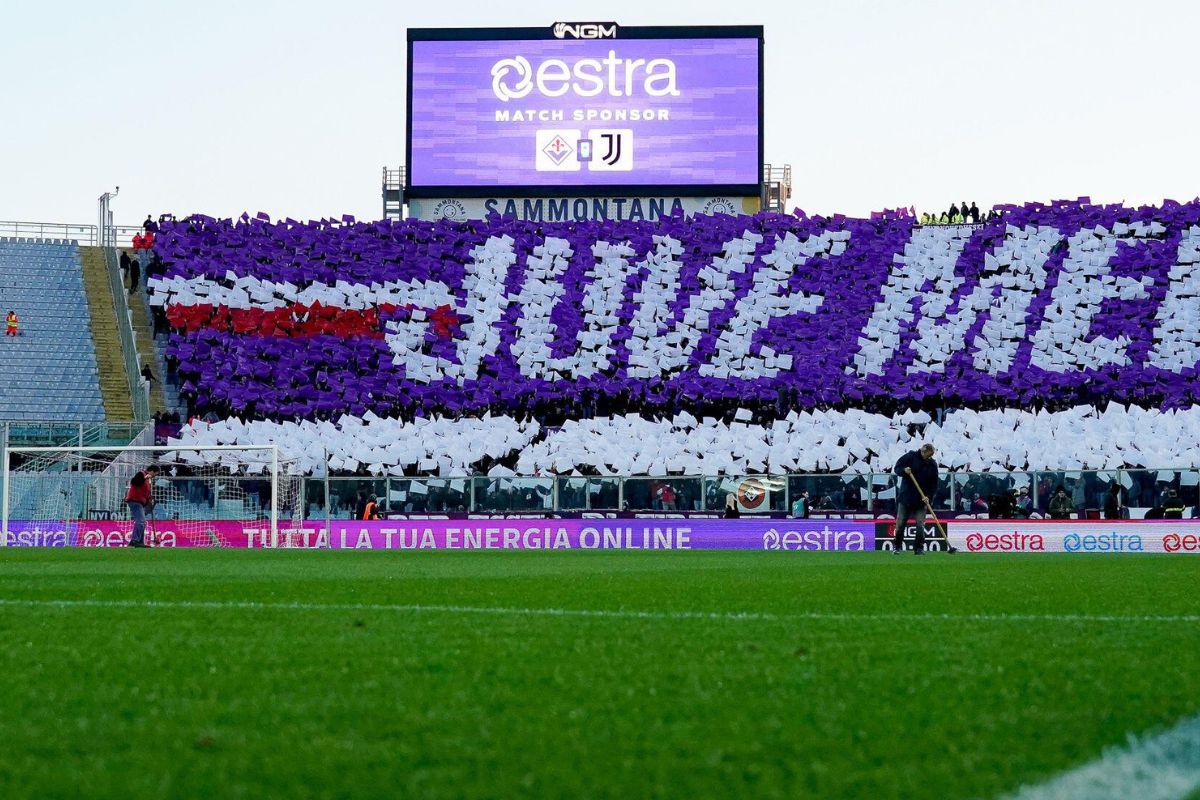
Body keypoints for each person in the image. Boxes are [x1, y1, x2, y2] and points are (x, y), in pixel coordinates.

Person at [891, 443, 940, 555]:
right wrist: (904, 470)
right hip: (906, 498)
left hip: (921, 499)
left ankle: (919, 548)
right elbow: (897, 468)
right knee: (900, 524)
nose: (928, 457)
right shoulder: (910, 456)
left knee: (920, 525)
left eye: (930, 455)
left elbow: (934, 483)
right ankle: (897, 547)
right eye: (927, 454)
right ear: (923, 451)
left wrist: (929, 496)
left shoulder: (932, 464)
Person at [124, 465, 159, 548]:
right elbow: (134, 482)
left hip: (140, 502)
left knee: (142, 522)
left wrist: (149, 499)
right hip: (135, 501)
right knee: (141, 521)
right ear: (152, 471)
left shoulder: (149, 480)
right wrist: (145, 478)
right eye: (155, 474)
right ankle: (134, 540)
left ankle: (140, 542)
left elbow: (145, 492)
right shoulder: (141, 474)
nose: (155, 476)